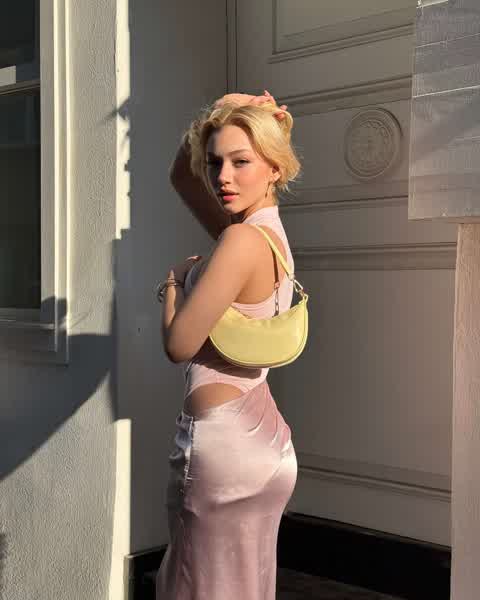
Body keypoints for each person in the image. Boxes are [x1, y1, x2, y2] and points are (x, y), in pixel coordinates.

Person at [156, 90, 301, 599]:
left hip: (222, 449)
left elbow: (179, 344)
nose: (223, 176)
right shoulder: (267, 234)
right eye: (216, 162)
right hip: (266, 443)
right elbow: (182, 176)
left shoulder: (239, 241)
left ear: (274, 168)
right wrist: (219, 111)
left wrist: (173, 283)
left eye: (241, 162)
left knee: (194, 586)